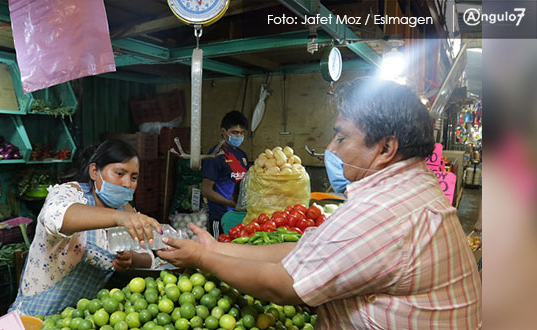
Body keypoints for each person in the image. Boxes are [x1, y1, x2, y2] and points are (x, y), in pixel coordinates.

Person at [158, 78, 482, 329]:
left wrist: (203, 257)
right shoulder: (409, 189)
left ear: (385, 149)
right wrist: (216, 250)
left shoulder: (383, 212)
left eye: (341, 137)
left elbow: (282, 287)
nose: (332, 148)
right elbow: (306, 250)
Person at [9, 139, 162, 316]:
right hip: (34, 316)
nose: (128, 184)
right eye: (120, 173)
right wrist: (119, 218)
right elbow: (54, 218)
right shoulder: (71, 194)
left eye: (134, 177)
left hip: (81, 320)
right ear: (94, 171)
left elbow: (149, 257)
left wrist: (131, 259)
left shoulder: (126, 210)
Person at [202, 111, 249, 239]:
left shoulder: (242, 155)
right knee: (220, 248)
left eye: (241, 133)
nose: (239, 136)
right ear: (223, 131)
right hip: (220, 215)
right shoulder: (214, 156)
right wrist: (230, 203)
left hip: (239, 215)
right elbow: (206, 191)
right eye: (234, 132)